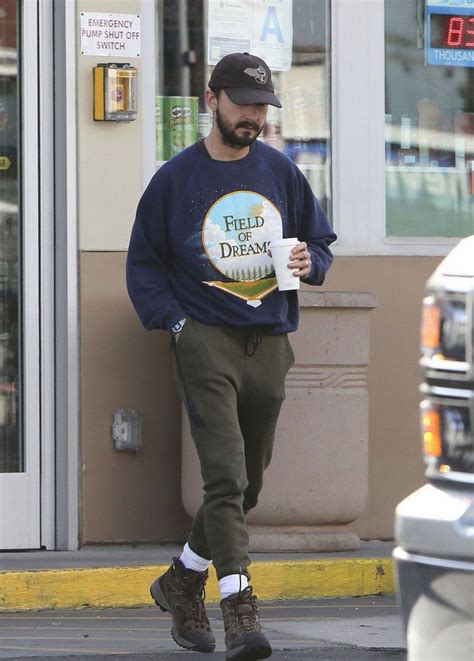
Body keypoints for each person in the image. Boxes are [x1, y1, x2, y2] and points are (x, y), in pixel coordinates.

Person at [126, 51, 336, 661]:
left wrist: (310, 264)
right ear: (212, 100)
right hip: (205, 337)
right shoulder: (175, 179)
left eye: (261, 108)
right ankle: (240, 608)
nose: (253, 117)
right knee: (225, 476)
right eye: (243, 104)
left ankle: (182, 580)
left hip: (270, 338)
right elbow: (143, 265)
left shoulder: (280, 171)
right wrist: (178, 323)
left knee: (248, 485)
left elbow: (318, 242)